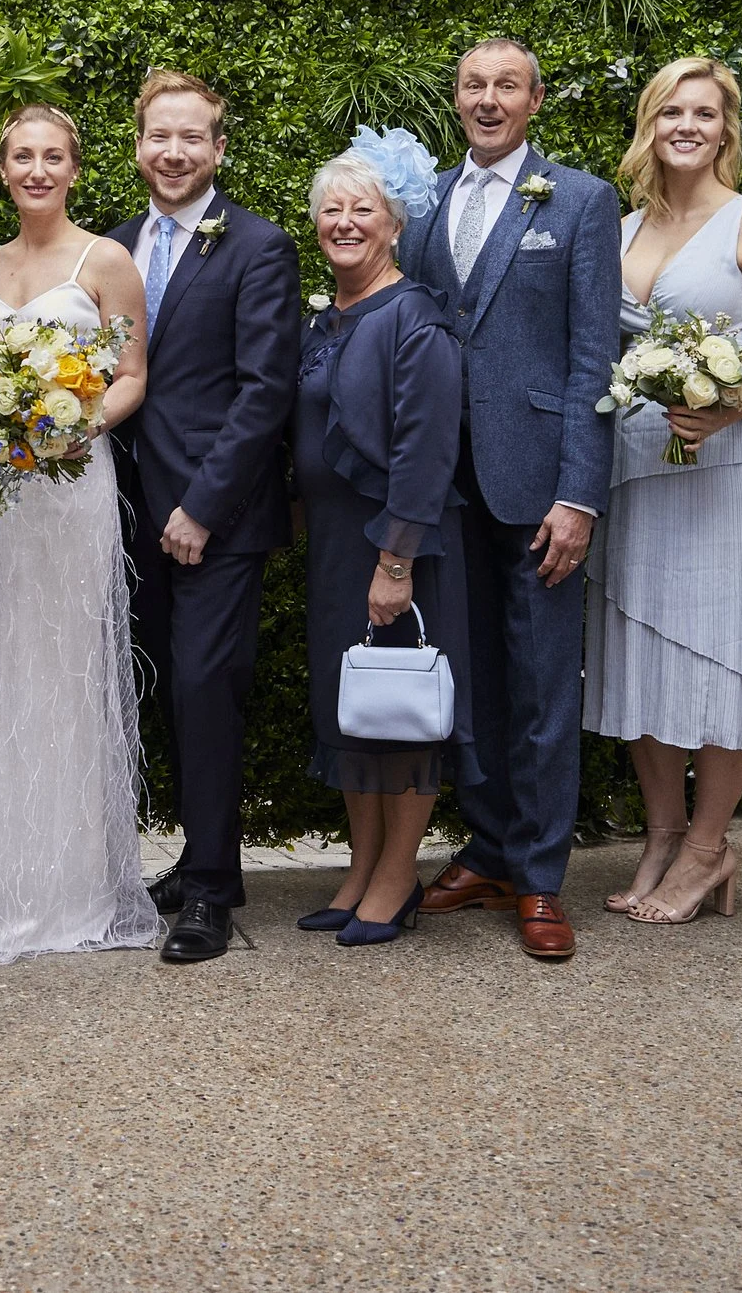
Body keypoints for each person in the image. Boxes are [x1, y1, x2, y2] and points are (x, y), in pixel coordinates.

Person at [399, 38, 621, 962]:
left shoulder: (579, 200)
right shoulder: (422, 206)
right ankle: (487, 848)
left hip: (537, 486)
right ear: (455, 99)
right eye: (473, 86)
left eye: (506, 87)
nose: (488, 101)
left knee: (537, 686)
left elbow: (591, 360)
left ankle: (538, 876)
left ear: (536, 100)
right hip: (441, 487)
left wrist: (579, 494)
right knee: (471, 679)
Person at [0, 105, 159, 963]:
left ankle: (71, 886)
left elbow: (133, 373)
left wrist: (85, 424)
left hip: (70, 489)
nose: (36, 170)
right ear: (3, 169)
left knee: (67, 672)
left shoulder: (109, 262)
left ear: (73, 168)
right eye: (22, 156)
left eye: (52, 157)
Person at [586, 57, 742, 925]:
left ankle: (711, 849)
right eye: (672, 111)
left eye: (704, 114)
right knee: (643, 647)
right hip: (637, 468)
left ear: (726, 130)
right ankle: (664, 834)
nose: (687, 126)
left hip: (721, 469)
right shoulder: (621, 228)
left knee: (718, 652)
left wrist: (727, 406)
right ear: (651, 122)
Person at [105, 69, 301, 965]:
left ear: (219, 149)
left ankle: (214, 891)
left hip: (212, 518)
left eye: (193, 138)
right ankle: (194, 860)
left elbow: (265, 393)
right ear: (139, 145)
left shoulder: (259, 248)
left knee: (205, 693)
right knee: (161, 697)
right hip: (121, 513)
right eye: (159, 136)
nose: (174, 153)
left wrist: (201, 508)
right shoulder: (112, 243)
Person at [292, 135, 477, 947]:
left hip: (398, 545)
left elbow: (427, 449)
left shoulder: (415, 316)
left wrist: (395, 560)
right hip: (337, 544)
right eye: (331, 209)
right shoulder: (327, 314)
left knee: (398, 719)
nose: (344, 222)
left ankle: (398, 878)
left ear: (396, 223)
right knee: (355, 710)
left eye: (362, 209)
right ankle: (361, 871)